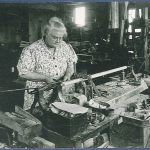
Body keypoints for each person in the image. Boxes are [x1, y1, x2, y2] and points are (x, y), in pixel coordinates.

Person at [17, 17, 77, 110]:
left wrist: (68, 74)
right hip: (38, 96)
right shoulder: (31, 50)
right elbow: (23, 73)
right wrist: (45, 78)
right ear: (45, 33)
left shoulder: (65, 46)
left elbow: (71, 63)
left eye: (60, 38)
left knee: (61, 116)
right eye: (54, 37)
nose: (58, 41)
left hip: (62, 93)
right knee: (40, 120)